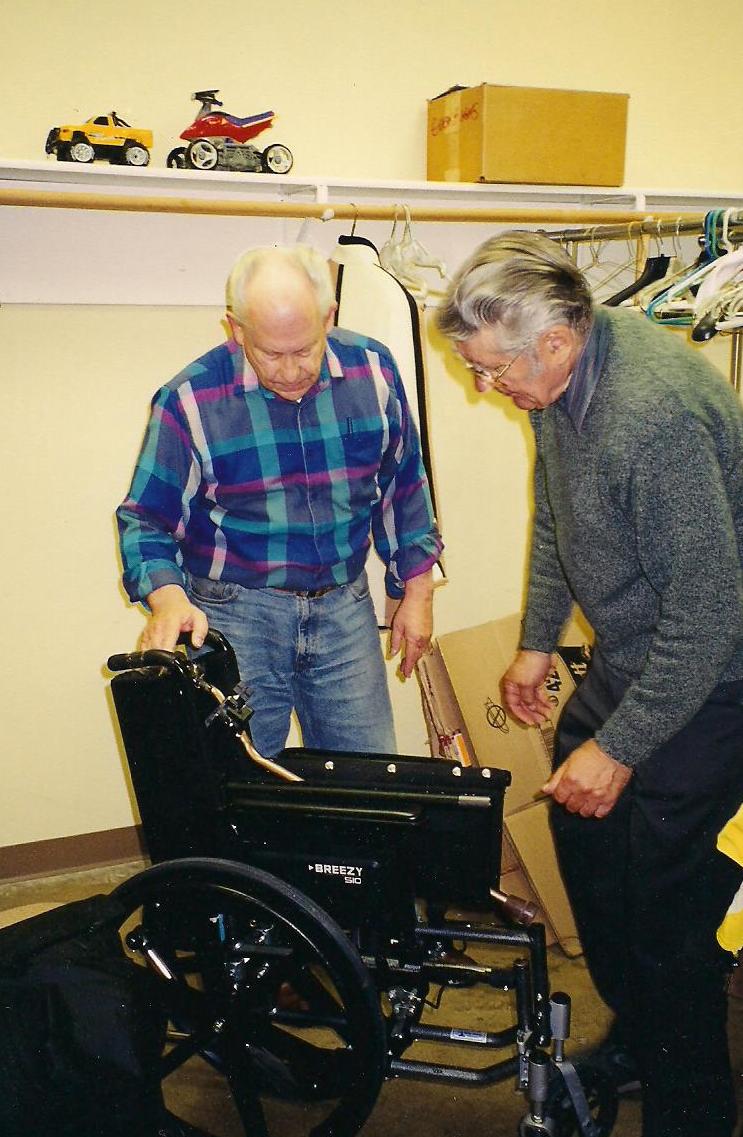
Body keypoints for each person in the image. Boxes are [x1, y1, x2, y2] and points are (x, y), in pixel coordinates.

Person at [436, 230, 743, 1137]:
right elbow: (554, 512)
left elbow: (708, 617)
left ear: (555, 340)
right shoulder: (558, 379)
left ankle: (691, 1106)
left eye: (491, 369)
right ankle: (643, 1034)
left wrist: (621, 747)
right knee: (587, 836)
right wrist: (537, 641)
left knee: (667, 912)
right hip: (637, 654)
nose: (483, 386)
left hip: (718, 677)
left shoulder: (654, 418)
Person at [117, 244, 442, 758]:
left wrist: (417, 591)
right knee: (238, 778)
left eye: (305, 349)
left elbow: (404, 485)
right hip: (235, 615)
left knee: (365, 777)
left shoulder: (373, 371)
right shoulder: (190, 400)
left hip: (344, 609)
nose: (291, 371)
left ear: (328, 317)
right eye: (270, 354)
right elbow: (146, 520)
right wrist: (168, 599)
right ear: (236, 329)